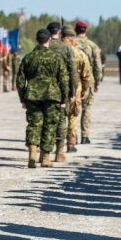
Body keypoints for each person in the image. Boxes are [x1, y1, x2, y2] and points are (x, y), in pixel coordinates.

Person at [17, 29, 69, 168]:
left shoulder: (28, 57)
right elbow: (64, 79)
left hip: (33, 96)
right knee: (50, 126)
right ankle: (45, 157)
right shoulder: (57, 57)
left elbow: (20, 80)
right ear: (49, 40)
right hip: (52, 96)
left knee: (34, 125)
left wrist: (23, 98)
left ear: (36, 39)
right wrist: (64, 99)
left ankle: (32, 152)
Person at [47, 22, 77, 163]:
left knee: (45, 120)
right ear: (59, 32)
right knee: (60, 120)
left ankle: (45, 152)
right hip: (60, 89)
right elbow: (72, 72)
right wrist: (73, 91)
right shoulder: (66, 49)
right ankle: (59, 152)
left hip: (43, 89)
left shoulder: (41, 47)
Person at [62, 26, 93, 152]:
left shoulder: (56, 51)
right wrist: (84, 90)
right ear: (71, 37)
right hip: (76, 89)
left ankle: (57, 143)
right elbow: (86, 76)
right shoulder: (80, 53)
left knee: (58, 117)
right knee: (73, 116)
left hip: (58, 88)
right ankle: (70, 143)